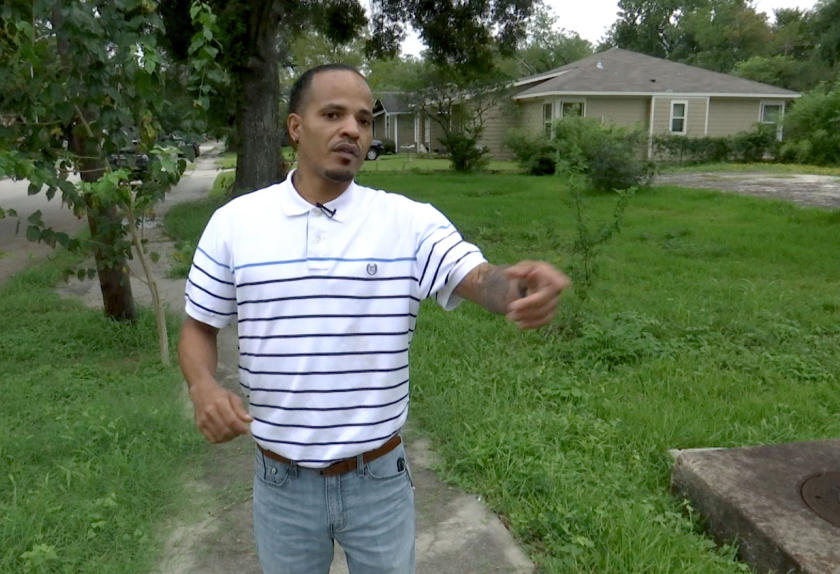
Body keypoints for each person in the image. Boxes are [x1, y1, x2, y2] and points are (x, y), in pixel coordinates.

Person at [178, 63, 570, 574]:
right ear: (296, 127)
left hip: (377, 479)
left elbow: (477, 279)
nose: (352, 130)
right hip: (281, 483)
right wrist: (203, 387)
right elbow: (198, 326)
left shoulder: (407, 222)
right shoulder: (235, 223)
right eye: (334, 114)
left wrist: (518, 287)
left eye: (364, 120)